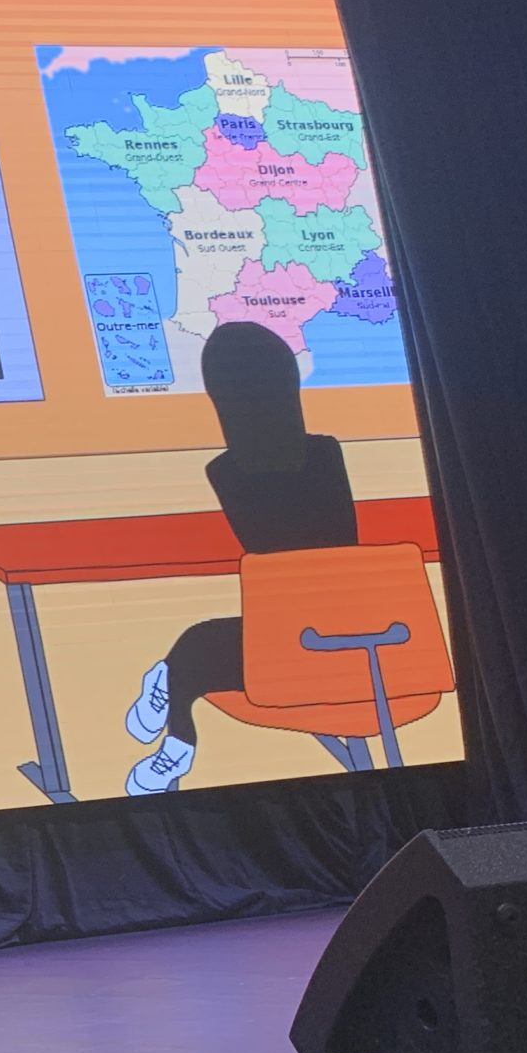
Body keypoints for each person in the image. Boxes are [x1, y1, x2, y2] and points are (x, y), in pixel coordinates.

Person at [123, 320, 360, 795]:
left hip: (296, 652)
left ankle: (177, 728)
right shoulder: (326, 455)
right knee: (203, 644)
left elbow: (273, 551)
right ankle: (170, 694)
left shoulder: (228, 472)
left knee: (196, 645)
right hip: (364, 650)